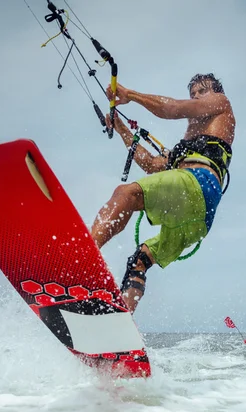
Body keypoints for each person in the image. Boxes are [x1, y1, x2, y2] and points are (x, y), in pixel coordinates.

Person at [90, 73, 236, 312]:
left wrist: (131, 96)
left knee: (125, 193)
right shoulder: (188, 146)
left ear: (215, 92)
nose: (197, 97)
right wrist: (120, 128)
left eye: (202, 92)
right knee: (140, 260)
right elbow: (150, 164)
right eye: (193, 94)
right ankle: (123, 319)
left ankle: (86, 255)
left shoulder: (221, 102)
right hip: (199, 219)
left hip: (198, 184)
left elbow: (174, 109)